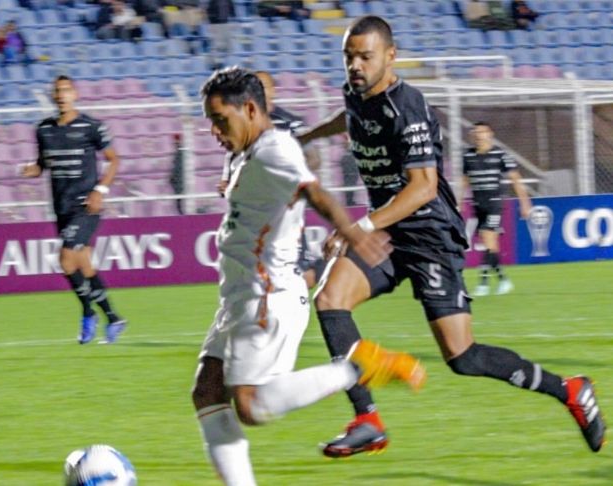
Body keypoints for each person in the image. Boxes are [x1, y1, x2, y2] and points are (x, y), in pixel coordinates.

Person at [297, 15, 606, 457]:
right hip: (386, 232)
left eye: (365, 56)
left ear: (390, 56)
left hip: (428, 238)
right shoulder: (356, 93)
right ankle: (367, 419)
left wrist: (360, 225)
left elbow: (422, 188)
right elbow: (348, 118)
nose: (355, 66)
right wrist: (306, 136)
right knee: (329, 300)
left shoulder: (409, 106)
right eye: (349, 57)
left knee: (463, 357)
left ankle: (570, 390)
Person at [192, 66, 426, 486]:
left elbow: (312, 190)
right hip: (239, 294)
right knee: (207, 391)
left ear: (249, 109)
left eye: (220, 120)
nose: (214, 130)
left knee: (248, 405)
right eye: (210, 121)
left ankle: (356, 368)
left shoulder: (276, 148)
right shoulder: (246, 150)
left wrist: (352, 230)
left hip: (266, 294)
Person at [22, 75, 127, 344]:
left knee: (66, 259)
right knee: (85, 266)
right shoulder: (43, 129)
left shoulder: (91, 126)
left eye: (66, 90)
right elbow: (42, 164)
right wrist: (30, 170)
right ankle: (113, 318)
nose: (61, 95)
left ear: (75, 94)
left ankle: (87, 313)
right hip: (62, 207)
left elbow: (113, 161)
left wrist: (99, 190)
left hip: (86, 205)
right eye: (56, 91)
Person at [217, 70, 325, 289]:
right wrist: (227, 180)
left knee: (296, 274)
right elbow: (232, 155)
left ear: (274, 91)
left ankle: (323, 269)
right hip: (252, 212)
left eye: (265, 88)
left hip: (282, 209)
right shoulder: (244, 124)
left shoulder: (291, 123)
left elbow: (315, 159)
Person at [462, 121, 532, 296]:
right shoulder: (468, 156)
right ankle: (501, 280)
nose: (479, 135)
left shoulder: (500, 155)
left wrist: (525, 203)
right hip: (478, 204)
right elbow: (465, 181)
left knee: (488, 239)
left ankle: (484, 283)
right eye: (476, 132)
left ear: (490, 134)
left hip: (494, 203)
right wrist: (457, 202)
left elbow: (516, 179)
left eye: (482, 132)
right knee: (490, 245)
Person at [169, 133, 185, 215]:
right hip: (178, 182)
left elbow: (178, 167)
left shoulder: (181, 152)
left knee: (180, 204)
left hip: (180, 182)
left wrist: (172, 178)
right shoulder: (179, 152)